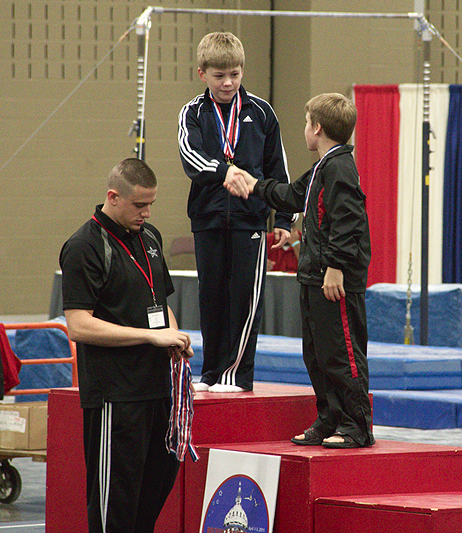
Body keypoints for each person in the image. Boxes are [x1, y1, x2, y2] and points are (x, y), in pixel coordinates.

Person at [224, 93, 374, 448]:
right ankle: (330, 417)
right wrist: (253, 184)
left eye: (307, 123)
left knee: (341, 353)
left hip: (334, 279)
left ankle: (356, 424)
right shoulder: (324, 166)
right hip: (314, 276)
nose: (305, 129)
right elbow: (293, 195)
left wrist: (336, 266)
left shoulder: (340, 167)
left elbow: (349, 221)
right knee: (317, 354)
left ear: (317, 128)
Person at [59, 158, 193, 533]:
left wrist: (174, 337)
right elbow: (78, 325)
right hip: (115, 397)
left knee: (150, 500)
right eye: (139, 205)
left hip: (158, 391)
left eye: (151, 204)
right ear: (113, 197)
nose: (146, 213)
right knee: (114, 509)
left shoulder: (150, 237)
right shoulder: (84, 246)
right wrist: (150, 335)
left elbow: (160, 303)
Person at [178, 31, 293, 393]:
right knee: (211, 297)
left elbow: (277, 169)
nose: (228, 83)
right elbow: (190, 157)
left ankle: (236, 375)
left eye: (235, 74)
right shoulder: (193, 112)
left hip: (250, 220)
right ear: (202, 74)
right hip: (208, 217)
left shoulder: (261, 112)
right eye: (219, 76)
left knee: (244, 298)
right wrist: (224, 171)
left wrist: (284, 219)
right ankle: (212, 372)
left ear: (243, 70)